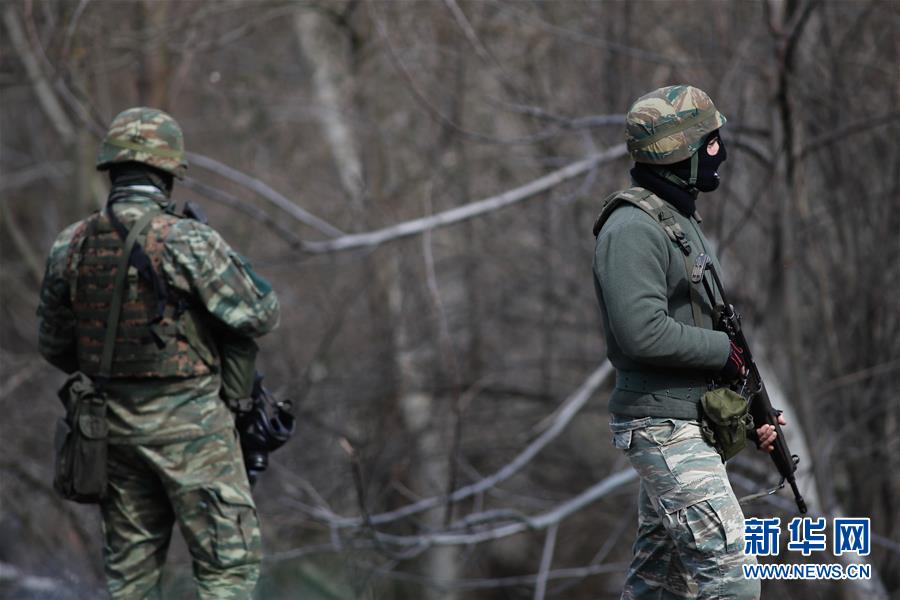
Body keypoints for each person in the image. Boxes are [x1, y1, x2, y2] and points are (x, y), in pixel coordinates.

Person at [37, 107, 280, 599]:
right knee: (226, 571)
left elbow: (56, 345)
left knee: (130, 584)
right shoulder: (186, 239)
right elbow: (261, 314)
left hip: (113, 432)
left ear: (112, 171)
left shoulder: (72, 243)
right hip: (194, 433)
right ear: (168, 172)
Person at [591, 85, 785, 599]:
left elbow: (698, 329)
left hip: (684, 419)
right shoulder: (632, 228)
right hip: (661, 425)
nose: (719, 151)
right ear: (680, 152)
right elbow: (642, 333)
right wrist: (724, 352)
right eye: (711, 141)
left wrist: (749, 412)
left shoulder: (676, 219)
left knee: (662, 585)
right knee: (735, 579)